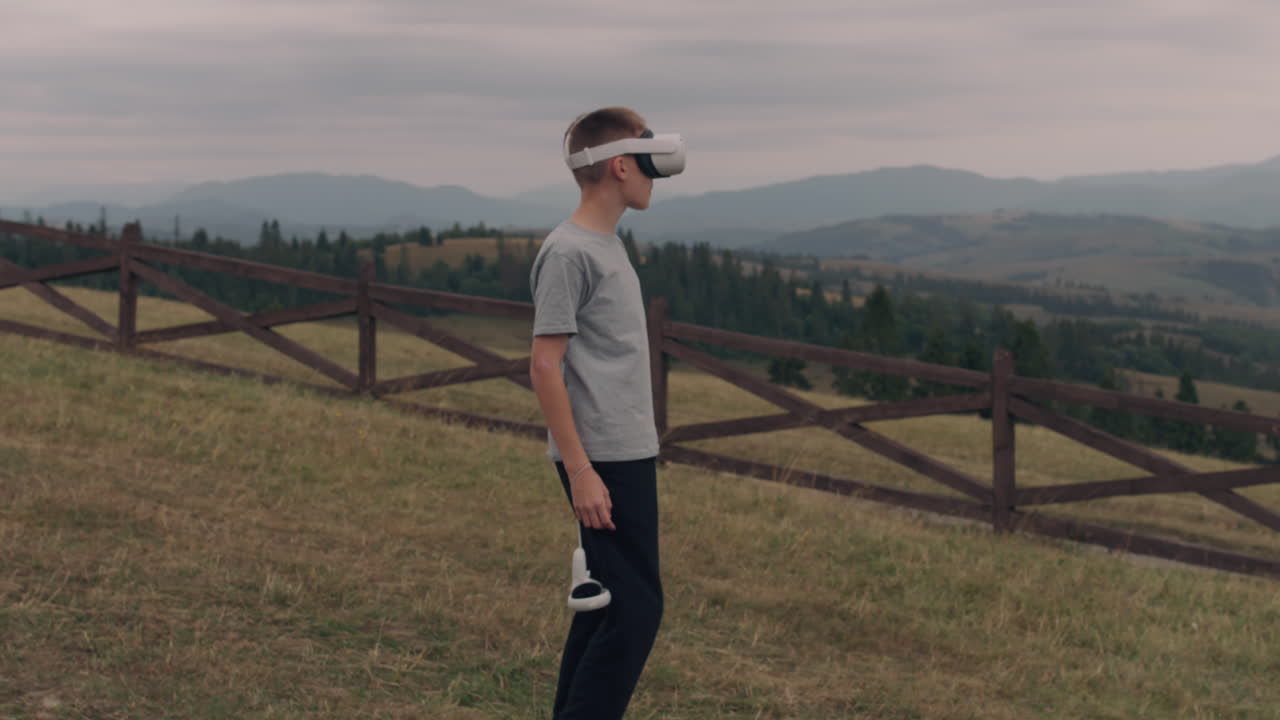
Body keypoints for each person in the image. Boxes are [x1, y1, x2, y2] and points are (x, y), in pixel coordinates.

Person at [528, 106, 685, 720]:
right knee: (636, 610)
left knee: (608, 604)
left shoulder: (604, 246)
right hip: (603, 459)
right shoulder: (569, 253)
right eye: (648, 162)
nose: (655, 176)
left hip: (623, 451)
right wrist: (582, 469)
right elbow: (545, 365)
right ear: (620, 166)